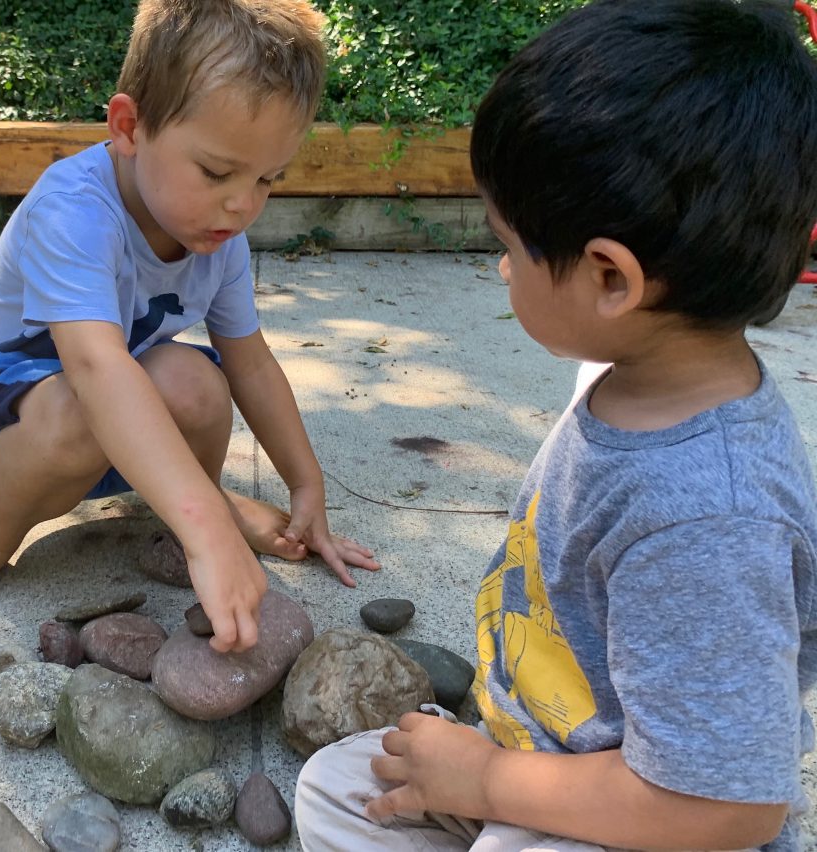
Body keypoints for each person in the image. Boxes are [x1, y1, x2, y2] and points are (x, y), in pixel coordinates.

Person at [295, 0, 817, 849]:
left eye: (511, 243)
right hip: (550, 757)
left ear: (612, 279)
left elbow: (729, 806)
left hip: (647, 816)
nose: (501, 265)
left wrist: (490, 781)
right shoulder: (639, 374)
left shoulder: (707, 521)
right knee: (341, 788)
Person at [0, 0, 379, 652]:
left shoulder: (218, 232)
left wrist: (306, 483)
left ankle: (189, 499)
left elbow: (252, 364)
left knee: (196, 380)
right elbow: (96, 369)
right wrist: (208, 526)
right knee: (81, 405)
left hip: (126, 431)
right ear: (129, 127)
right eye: (216, 171)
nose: (243, 204)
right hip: (21, 429)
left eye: (268, 178)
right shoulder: (73, 208)